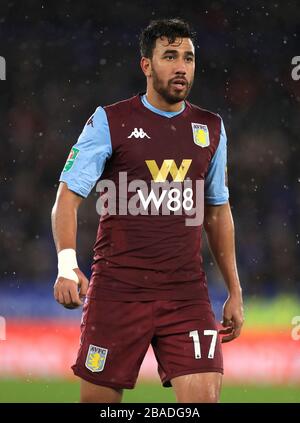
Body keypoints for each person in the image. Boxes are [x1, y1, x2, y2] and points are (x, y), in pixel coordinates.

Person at [51, 18, 244, 403]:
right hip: (117, 292)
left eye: (188, 58)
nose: (181, 67)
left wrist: (235, 291)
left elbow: (217, 211)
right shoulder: (111, 121)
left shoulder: (211, 128)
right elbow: (67, 199)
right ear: (146, 65)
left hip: (185, 293)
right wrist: (66, 264)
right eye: (169, 56)